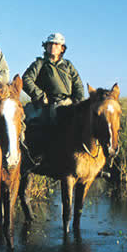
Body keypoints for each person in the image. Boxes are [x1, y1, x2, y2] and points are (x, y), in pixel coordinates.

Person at [21, 32, 85, 165]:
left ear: (62, 48)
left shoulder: (68, 65)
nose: (52, 47)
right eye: (50, 44)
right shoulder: (40, 63)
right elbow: (26, 79)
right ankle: (47, 159)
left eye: (56, 44)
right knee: (53, 127)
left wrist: (78, 102)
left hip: (69, 102)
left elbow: (78, 84)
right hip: (50, 103)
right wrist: (40, 95)